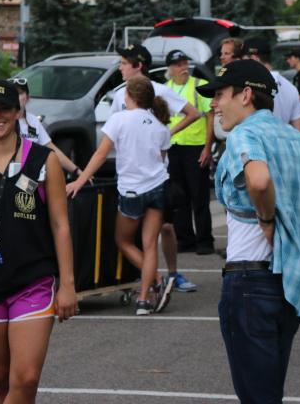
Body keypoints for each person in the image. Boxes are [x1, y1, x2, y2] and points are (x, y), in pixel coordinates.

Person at [196, 60, 300, 404]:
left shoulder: (245, 134)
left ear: (246, 94)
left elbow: (259, 179)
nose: (214, 104)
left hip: (250, 281)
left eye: (220, 95)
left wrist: (267, 219)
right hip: (290, 284)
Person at [0, 79, 77, 404]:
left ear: (17, 112)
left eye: (4, 109)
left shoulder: (43, 160)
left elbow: (61, 225)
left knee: (26, 378)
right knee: (3, 384)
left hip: (33, 280)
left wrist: (68, 284)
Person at [68, 75, 172, 315]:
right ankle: (145, 300)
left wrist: (79, 182)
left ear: (129, 97)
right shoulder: (160, 124)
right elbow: (162, 159)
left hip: (132, 190)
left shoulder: (119, 119)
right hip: (157, 187)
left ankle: (157, 279)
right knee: (149, 246)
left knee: (123, 241)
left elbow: (101, 154)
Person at [111, 44, 200, 292]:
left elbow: (193, 114)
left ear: (138, 66)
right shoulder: (120, 95)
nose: (120, 67)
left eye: (124, 63)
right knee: (137, 232)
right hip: (130, 176)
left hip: (157, 175)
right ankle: (149, 277)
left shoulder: (160, 91)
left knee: (166, 227)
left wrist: (165, 134)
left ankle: (173, 274)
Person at [165, 50, 215, 255]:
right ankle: (185, 240)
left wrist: (207, 148)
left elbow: (210, 117)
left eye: (185, 63)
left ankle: (204, 241)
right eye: (178, 64)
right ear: (170, 68)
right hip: (173, 148)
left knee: (199, 196)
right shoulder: (165, 89)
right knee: (178, 197)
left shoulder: (199, 86)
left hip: (195, 147)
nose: (183, 67)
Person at [8, 77, 83, 178]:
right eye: (12, 93)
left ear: (28, 98)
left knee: (39, 189)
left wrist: (76, 171)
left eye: (20, 93)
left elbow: (51, 148)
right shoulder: (3, 121)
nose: (15, 97)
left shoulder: (33, 120)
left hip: (28, 177)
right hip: (6, 177)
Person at [243, 37, 300, 131]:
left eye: (243, 60)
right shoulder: (291, 88)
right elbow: (299, 128)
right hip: (282, 144)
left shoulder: (249, 86)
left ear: (254, 58)